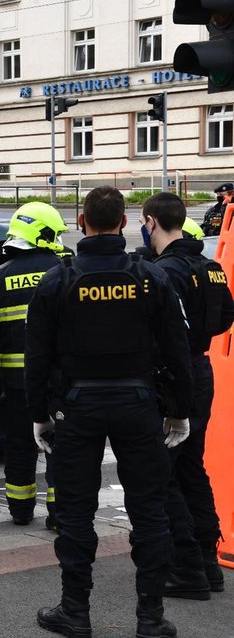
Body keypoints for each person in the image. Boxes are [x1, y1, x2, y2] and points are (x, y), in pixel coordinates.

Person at [27, 186, 193, 638]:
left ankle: (75, 612)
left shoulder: (58, 279)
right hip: (138, 404)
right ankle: (151, 617)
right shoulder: (151, 277)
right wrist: (180, 411)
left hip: (77, 407)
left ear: (81, 223)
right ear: (124, 223)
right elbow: (179, 350)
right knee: (150, 511)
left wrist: (39, 414)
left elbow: (36, 357)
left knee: (76, 514)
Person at [141, 192, 234, 600]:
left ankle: (186, 568)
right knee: (192, 469)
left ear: (150, 222)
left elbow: (155, 331)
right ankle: (208, 563)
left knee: (165, 474)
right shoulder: (210, 267)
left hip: (172, 377)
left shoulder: (164, 271)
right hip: (201, 370)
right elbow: (226, 318)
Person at [0, 202, 67, 528]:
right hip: (60, 380)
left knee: (19, 447)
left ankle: (21, 510)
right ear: (43, 232)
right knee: (59, 447)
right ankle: (58, 513)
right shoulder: (65, 269)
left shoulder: (0, 276)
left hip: (17, 385)